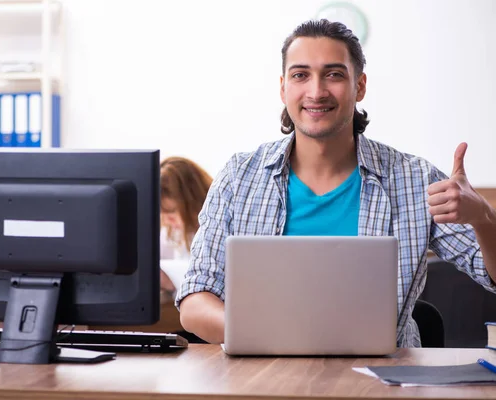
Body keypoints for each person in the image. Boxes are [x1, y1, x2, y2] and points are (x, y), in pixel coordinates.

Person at [175, 19, 496, 347]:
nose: (316, 91)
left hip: (382, 385)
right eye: (301, 75)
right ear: (283, 87)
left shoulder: (415, 180)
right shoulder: (239, 177)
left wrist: (484, 217)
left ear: (360, 86)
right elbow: (194, 301)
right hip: (262, 380)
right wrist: (272, 335)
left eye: (334, 74)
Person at [159, 156, 213, 294]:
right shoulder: (170, 232)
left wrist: (172, 280)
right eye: (162, 214)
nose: (167, 221)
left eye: (171, 212)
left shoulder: (215, 231)